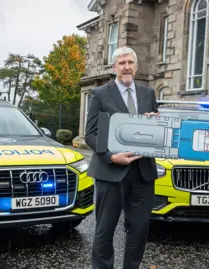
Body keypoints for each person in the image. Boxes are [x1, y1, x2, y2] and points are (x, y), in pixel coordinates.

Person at [84, 46, 159, 269]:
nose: (126, 67)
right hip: (111, 172)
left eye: (130, 63)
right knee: (104, 229)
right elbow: (90, 134)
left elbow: (154, 132)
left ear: (136, 66)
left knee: (139, 229)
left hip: (142, 172)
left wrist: (155, 122)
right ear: (114, 67)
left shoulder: (148, 94)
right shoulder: (100, 94)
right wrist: (110, 156)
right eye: (122, 63)